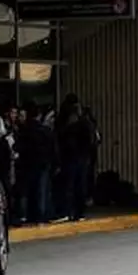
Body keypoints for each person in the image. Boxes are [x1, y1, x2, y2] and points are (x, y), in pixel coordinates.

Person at [16, 101, 59, 224]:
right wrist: (55, 163)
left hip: (27, 164)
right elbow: (53, 147)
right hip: (43, 164)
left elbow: (19, 147)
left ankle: (29, 214)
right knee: (42, 190)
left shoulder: (24, 130)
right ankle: (41, 215)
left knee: (29, 190)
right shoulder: (44, 130)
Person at [56, 94, 94, 222]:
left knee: (69, 185)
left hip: (71, 156)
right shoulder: (84, 120)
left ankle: (67, 211)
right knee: (78, 186)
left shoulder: (67, 120)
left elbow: (61, 136)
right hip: (81, 157)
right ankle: (79, 213)